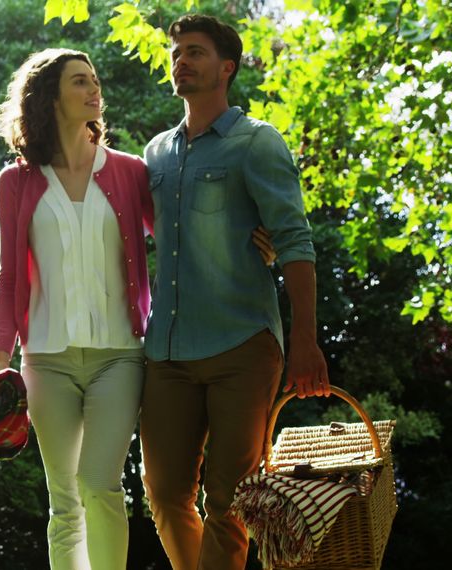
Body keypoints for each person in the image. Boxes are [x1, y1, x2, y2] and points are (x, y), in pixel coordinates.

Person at [0, 47, 274, 570]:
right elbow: (9, 273)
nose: (95, 89)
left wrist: (252, 237)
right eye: (80, 82)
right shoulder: (17, 181)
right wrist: (0, 359)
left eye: (94, 80)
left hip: (118, 355)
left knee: (98, 482)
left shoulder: (127, 172)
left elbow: (183, 230)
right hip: (44, 359)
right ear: (49, 98)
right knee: (63, 502)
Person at [137, 14, 331, 570]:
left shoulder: (256, 143)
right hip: (166, 354)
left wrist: (305, 341)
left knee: (230, 501)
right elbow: (142, 230)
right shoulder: (154, 156)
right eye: (176, 53)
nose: (182, 61)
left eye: (194, 52)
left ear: (226, 67)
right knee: (165, 495)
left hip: (242, 346)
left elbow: (295, 241)